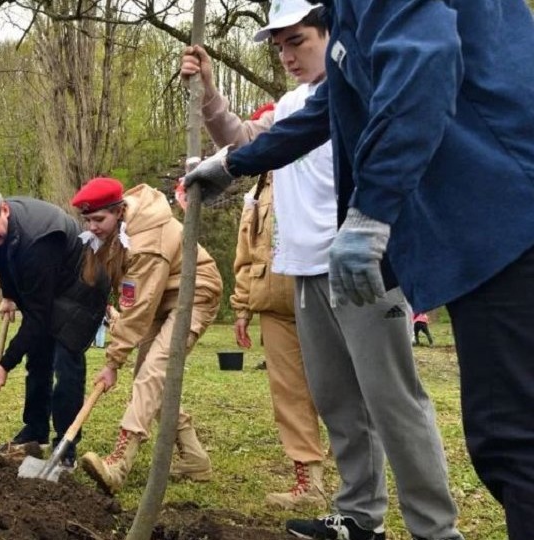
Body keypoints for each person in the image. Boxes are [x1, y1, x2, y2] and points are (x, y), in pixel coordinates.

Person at [181, 2, 465, 539]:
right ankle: (359, 516)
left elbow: (402, 144)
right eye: (280, 47)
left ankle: (434, 528)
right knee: (337, 401)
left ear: (330, 33)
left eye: (298, 41)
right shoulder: (292, 105)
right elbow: (245, 143)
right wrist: (211, 95)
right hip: (305, 272)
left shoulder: (361, 89)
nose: (288, 56)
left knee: (393, 401)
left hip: (362, 265)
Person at [69, 178, 222, 495]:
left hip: (193, 294)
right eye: (88, 220)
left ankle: (119, 463)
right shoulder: (115, 232)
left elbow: (137, 308)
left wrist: (113, 362)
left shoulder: (146, 242)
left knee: (152, 373)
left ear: (119, 211)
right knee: (150, 379)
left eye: (99, 219)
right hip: (161, 297)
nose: (92, 227)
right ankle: (195, 459)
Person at [0, 186, 109, 467]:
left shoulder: (38, 241)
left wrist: (4, 364)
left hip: (82, 287)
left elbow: (38, 317)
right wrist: (8, 295)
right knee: (37, 358)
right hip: (50, 281)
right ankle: (35, 430)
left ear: (4, 210)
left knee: (66, 363)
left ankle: (65, 445)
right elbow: (2, 261)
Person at [230, 164, 326, 509]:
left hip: (320, 293)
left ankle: (358, 485)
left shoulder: (317, 168)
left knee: (338, 390)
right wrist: (242, 307)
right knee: (289, 393)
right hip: (273, 303)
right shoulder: (258, 190)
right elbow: (246, 254)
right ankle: (309, 483)